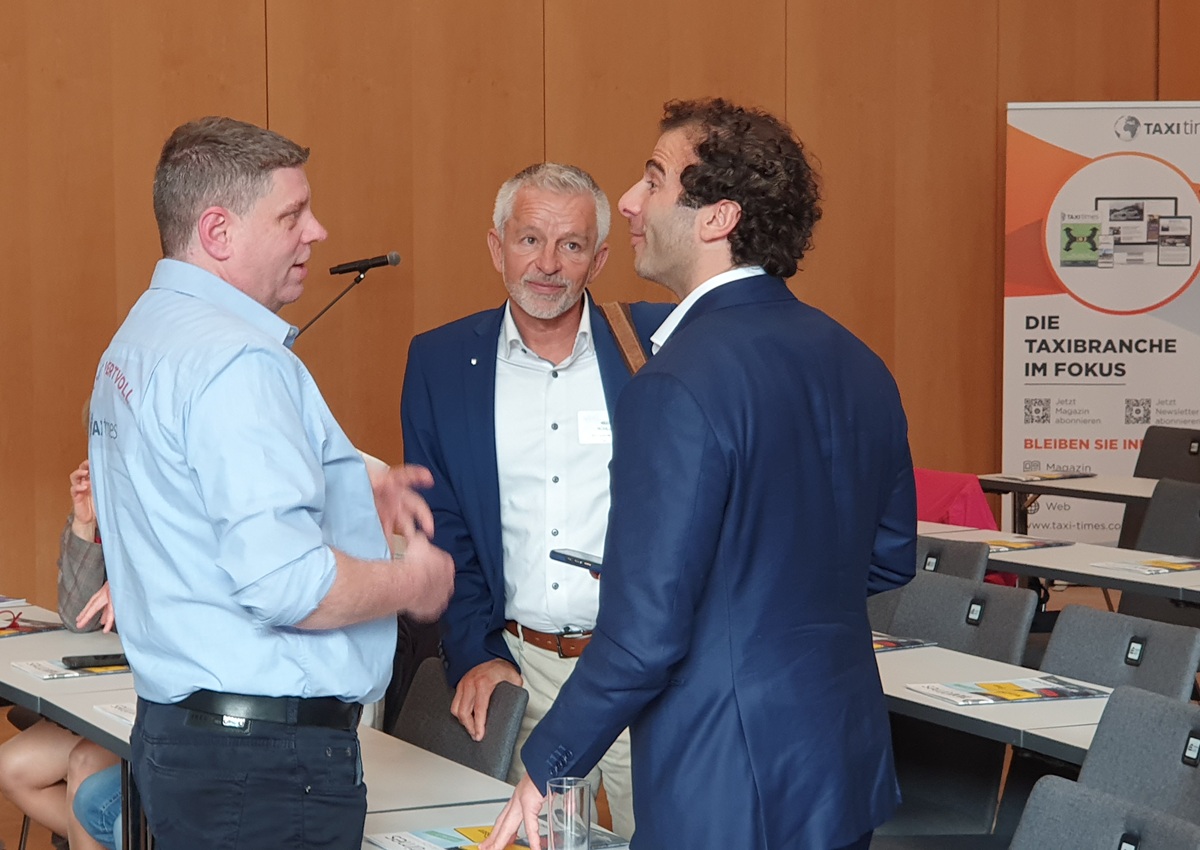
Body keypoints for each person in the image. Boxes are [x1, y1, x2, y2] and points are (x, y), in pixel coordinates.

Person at [481, 98, 917, 850]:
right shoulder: (859, 361)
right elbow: (888, 555)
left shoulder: (674, 383)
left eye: (654, 179)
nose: (629, 201)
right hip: (840, 766)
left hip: (726, 779)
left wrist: (549, 763)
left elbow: (646, 636)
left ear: (717, 218)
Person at [87, 116, 455, 850]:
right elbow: (289, 586)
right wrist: (413, 583)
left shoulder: (142, 336)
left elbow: (187, 492)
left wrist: (348, 488)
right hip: (265, 768)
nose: (317, 232)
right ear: (218, 232)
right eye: (292, 215)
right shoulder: (238, 362)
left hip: (188, 740)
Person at [401, 162, 671, 836]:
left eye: (571, 245)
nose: (547, 264)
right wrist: (476, 652)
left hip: (644, 672)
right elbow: (443, 527)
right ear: (497, 247)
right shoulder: (439, 363)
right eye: (529, 240)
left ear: (598, 260)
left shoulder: (655, 346)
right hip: (524, 671)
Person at [0, 460, 120, 850]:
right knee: (12, 769)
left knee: (84, 768)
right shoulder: (112, 507)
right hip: (103, 697)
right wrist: (85, 524)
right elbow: (78, 619)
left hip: (158, 701)